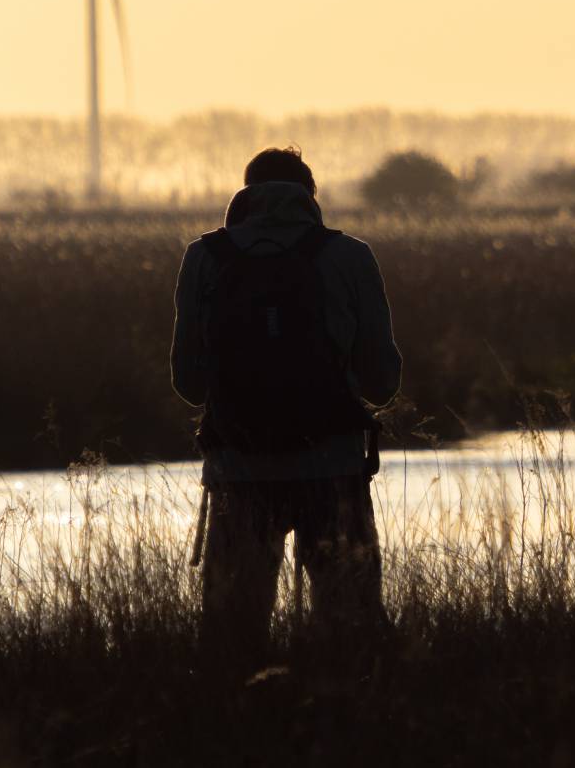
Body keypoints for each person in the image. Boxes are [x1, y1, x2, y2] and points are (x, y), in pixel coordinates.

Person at [171, 146, 402, 669]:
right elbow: (383, 382)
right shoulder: (349, 256)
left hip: (238, 470)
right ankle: (346, 727)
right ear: (310, 196)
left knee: (233, 631)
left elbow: (188, 382)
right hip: (334, 470)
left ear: (245, 193)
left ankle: (241, 729)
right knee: (351, 624)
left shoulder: (204, 257)